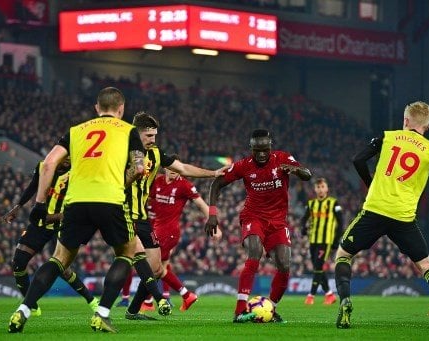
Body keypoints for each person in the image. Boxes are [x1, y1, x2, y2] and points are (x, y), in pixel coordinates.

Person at [8, 86, 146, 333]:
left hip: (76, 202)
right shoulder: (129, 131)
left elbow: (49, 163)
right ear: (121, 109)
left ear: (97, 108)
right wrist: (120, 184)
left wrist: (40, 204)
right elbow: (139, 169)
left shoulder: (75, 131)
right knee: (126, 253)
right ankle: (102, 314)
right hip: (110, 200)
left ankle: (23, 310)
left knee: (59, 259)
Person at [334, 101, 429, 331]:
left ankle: (345, 301)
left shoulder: (388, 137)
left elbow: (357, 159)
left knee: (343, 255)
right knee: (427, 265)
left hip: (375, 210)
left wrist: (370, 182)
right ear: (427, 127)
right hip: (403, 217)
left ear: (405, 121)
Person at [123, 112, 225, 321]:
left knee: (156, 267)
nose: (153, 140)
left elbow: (185, 168)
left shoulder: (157, 155)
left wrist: (213, 173)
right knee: (127, 261)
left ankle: (135, 309)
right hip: (122, 214)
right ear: (136, 133)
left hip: (143, 218)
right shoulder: (121, 151)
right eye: (148, 136)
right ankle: (108, 308)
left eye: (154, 135)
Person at [204, 128, 312, 323]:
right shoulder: (243, 166)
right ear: (251, 148)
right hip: (253, 217)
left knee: (284, 265)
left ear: (270, 146)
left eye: (265, 149)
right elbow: (217, 184)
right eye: (257, 150)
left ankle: (271, 308)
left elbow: (307, 174)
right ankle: (239, 312)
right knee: (255, 252)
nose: (261, 154)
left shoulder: (283, 158)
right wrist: (212, 214)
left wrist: (296, 170)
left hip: (278, 221)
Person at [117, 162, 222, 311]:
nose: (174, 171)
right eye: (171, 168)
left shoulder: (184, 185)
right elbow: (144, 194)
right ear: (165, 168)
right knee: (159, 268)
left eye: (177, 169)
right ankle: (185, 295)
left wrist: (214, 223)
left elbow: (201, 204)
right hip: (156, 229)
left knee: (151, 267)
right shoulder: (157, 181)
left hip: (169, 232)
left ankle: (149, 302)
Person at [3, 157, 98, 316]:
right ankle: (31, 305)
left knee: (62, 268)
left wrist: (64, 216)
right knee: (18, 262)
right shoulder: (43, 167)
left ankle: (92, 301)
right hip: (41, 222)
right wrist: (17, 207)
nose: (68, 159)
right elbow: (33, 187)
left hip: (63, 224)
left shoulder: (77, 173)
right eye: (65, 156)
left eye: (70, 156)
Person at [301, 177, 343, 305]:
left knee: (318, 266)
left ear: (327, 188)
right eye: (318, 187)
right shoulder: (311, 204)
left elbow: (341, 223)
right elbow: (304, 218)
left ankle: (311, 295)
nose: (320, 189)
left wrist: (336, 241)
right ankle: (329, 294)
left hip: (326, 241)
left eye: (322, 187)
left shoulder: (334, 203)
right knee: (317, 267)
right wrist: (303, 228)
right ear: (314, 189)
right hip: (313, 240)